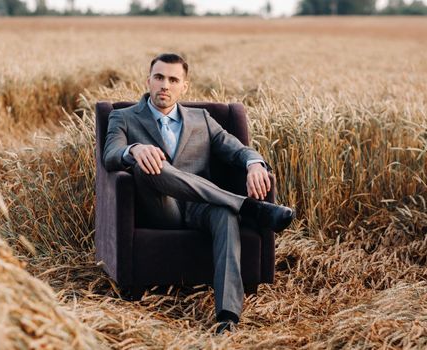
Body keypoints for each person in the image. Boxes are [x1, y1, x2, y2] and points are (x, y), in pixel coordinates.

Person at [103, 53, 294, 333]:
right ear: (148, 81)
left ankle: (227, 316)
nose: (164, 85)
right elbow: (109, 154)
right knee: (149, 165)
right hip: (160, 208)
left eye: (172, 79)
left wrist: (254, 164)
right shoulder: (123, 117)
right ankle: (249, 208)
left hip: (200, 206)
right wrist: (133, 150)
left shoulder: (201, 119)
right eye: (158, 78)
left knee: (225, 214)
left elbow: (237, 148)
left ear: (185, 87)